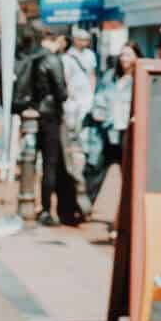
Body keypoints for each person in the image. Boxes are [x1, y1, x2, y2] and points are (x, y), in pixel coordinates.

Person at [12, 28, 80, 227]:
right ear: (57, 39)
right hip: (50, 116)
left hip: (32, 114)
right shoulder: (51, 60)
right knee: (50, 164)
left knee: (31, 160)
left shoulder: (32, 57)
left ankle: (29, 202)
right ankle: (45, 209)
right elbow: (62, 92)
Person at [88, 49, 137, 218]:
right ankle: (85, 207)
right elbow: (98, 98)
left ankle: (128, 214)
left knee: (130, 176)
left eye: (129, 54)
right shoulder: (110, 77)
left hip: (128, 133)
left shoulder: (140, 79)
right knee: (95, 169)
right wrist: (98, 112)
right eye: (122, 54)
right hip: (108, 130)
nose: (124, 58)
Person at [61, 28, 100, 198]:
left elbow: (92, 74)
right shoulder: (67, 57)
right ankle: (72, 156)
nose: (84, 42)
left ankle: (82, 152)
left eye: (86, 40)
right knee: (71, 129)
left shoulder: (90, 56)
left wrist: (92, 93)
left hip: (86, 99)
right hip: (73, 100)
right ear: (75, 40)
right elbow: (66, 77)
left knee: (84, 130)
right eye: (81, 39)